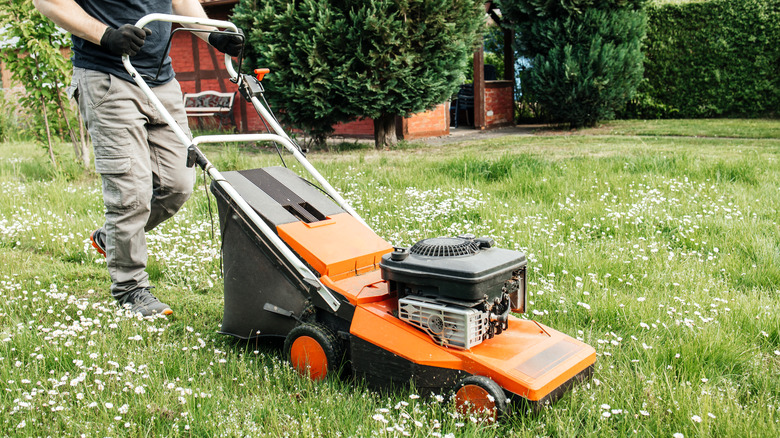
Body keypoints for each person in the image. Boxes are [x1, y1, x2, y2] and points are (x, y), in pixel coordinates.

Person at [33, 0, 242, 316]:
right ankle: (131, 290)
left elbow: (181, 1)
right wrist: (106, 35)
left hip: (161, 79)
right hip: (108, 76)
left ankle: (111, 238)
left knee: (178, 184)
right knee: (131, 192)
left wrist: (213, 35)